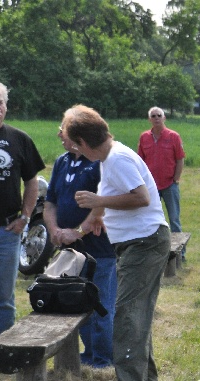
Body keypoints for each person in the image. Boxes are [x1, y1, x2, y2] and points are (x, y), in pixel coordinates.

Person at [64, 104, 171, 381]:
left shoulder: (118, 158)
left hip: (144, 243)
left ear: (84, 142)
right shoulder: (110, 157)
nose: (76, 150)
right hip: (139, 243)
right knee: (137, 314)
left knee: (127, 315)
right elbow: (111, 192)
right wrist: (97, 215)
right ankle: (143, 380)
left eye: (76, 145)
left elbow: (141, 197)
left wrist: (98, 200)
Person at [44, 125, 116, 368]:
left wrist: (78, 231)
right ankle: (88, 354)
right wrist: (54, 229)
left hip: (99, 247)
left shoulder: (98, 162)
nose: (58, 134)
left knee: (100, 304)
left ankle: (104, 359)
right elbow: (50, 201)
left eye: (62, 130)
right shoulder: (61, 162)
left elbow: (103, 204)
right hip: (69, 250)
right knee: (75, 300)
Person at [0, 81, 45, 335]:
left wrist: (25, 217)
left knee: (3, 297)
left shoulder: (19, 139)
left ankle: (3, 352)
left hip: (6, 231)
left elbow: (32, 182)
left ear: (6, 106)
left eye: (0, 103)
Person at [137, 107, 186, 256]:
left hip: (169, 185)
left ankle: (179, 254)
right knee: (151, 219)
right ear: (149, 119)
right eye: (153, 116)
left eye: (159, 115)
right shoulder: (144, 137)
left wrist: (176, 179)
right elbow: (140, 161)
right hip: (151, 187)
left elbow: (180, 159)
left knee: (174, 219)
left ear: (164, 118)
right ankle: (153, 251)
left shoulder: (174, 137)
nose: (157, 118)